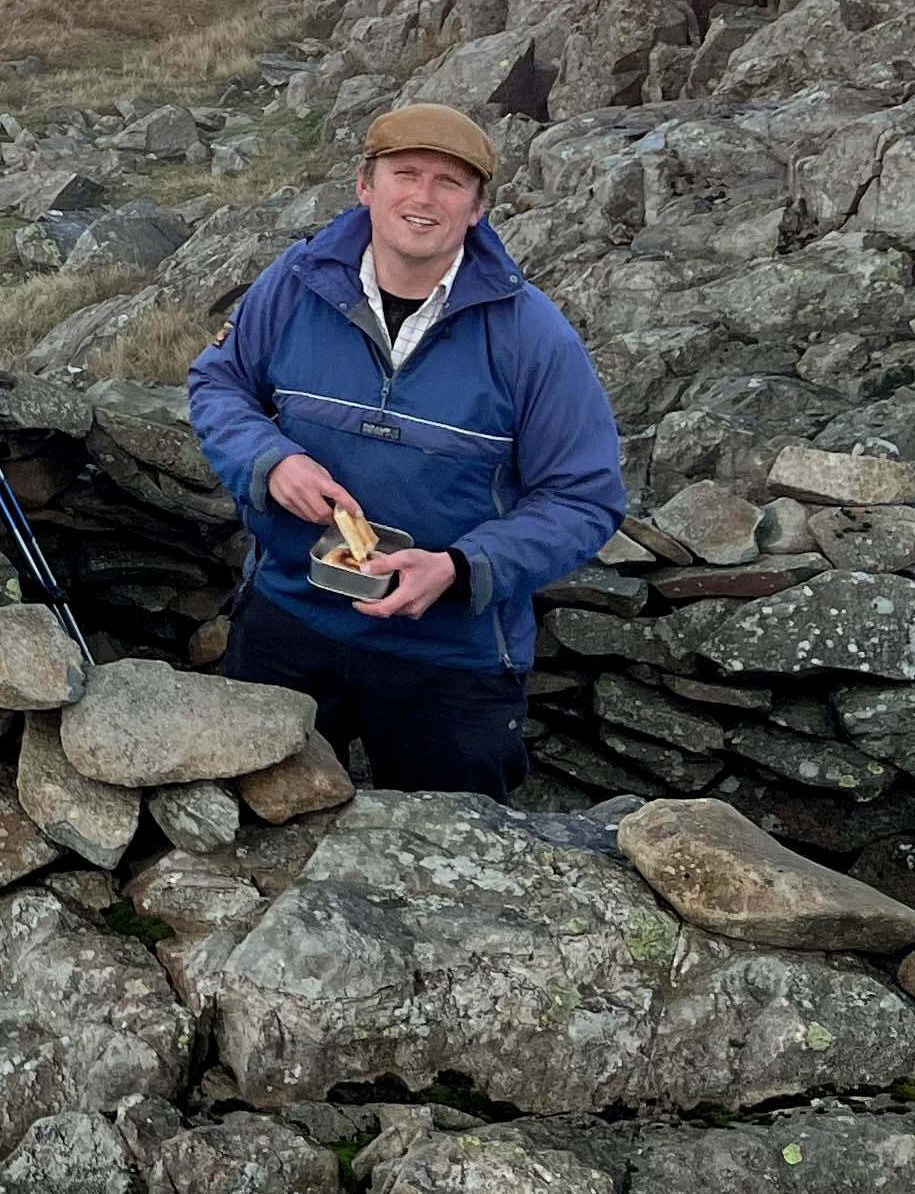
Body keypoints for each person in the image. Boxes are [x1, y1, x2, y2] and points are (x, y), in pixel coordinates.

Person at [184, 101, 625, 798]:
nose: (424, 197)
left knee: (453, 874)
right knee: (245, 826)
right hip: (289, 618)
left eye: (450, 182)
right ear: (366, 185)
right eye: (406, 173)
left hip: (452, 654)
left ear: (478, 207)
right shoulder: (296, 284)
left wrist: (459, 566)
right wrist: (271, 461)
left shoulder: (534, 338)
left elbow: (585, 498)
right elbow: (219, 383)